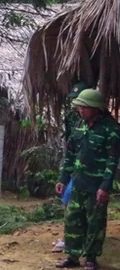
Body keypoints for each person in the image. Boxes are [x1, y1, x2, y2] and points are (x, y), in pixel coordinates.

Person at [55, 88, 120, 270]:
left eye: (84, 107)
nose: (80, 110)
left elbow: (112, 161)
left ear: (96, 108)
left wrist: (105, 187)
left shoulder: (111, 130)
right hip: (78, 183)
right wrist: (63, 179)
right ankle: (72, 256)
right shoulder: (79, 126)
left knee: (95, 222)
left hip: (97, 186)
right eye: (79, 107)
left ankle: (91, 258)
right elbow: (70, 155)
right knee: (73, 219)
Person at [52, 81, 90, 252]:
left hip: (89, 173)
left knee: (84, 208)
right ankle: (71, 238)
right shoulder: (72, 117)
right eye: (75, 101)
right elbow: (70, 146)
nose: (77, 106)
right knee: (68, 200)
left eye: (79, 101)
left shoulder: (99, 122)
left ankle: (80, 241)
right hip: (74, 168)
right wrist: (64, 176)